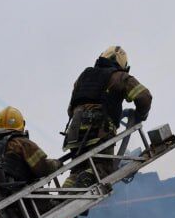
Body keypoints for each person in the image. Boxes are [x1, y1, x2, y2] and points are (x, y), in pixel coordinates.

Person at [62, 45, 153, 187]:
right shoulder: (119, 76)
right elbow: (144, 96)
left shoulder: (83, 76)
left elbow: (70, 109)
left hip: (74, 135)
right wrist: (141, 115)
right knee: (103, 168)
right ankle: (89, 176)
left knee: (76, 170)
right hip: (99, 131)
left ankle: (60, 197)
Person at [0, 106, 61, 218]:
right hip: (18, 207)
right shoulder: (21, 143)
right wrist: (57, 164)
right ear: (22, 125)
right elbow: (43, 167)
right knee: (55, 202)